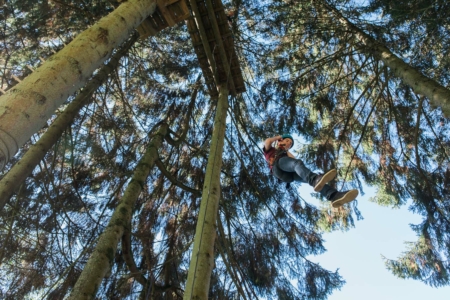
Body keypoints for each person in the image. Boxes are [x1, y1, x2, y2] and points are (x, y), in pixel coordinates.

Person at [263, 134, 358, 208]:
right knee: (305, 171)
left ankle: (333, 195)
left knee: (311, 179)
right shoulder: (271, 150)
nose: (289, 143)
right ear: (281, 140)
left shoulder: (286, 153)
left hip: (288, 176)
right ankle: (315, 179)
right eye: (287, 141)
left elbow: (293, 160)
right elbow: (267, 141)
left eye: (290, 144)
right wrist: (279, 137)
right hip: (277, 166)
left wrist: (286, 149)